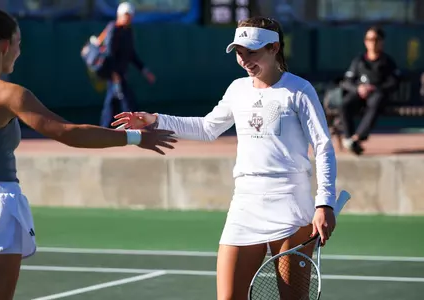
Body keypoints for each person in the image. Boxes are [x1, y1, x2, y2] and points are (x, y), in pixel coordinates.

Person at [0, 7, 175, 299]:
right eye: (18, 43)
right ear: (5, 46)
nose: (19, 50)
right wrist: (133, 138)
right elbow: (68, 133)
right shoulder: (7, 93)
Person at [112, 16, 337, 300]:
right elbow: (207, 128)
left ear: (274, 48)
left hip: (292, 205)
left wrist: (324, 203)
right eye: (239, 52)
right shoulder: (237, 90)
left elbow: (323, 146)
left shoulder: (300, 91)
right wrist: (154, 120)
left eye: (252, 51)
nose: (244, 59)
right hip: (245, 203)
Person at [339, 25, 400, 155]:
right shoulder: (359, 61)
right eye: (369, 39)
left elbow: (394, 82)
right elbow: (347, 81)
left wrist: (375, 88)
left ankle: (358, 137)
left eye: (375, 39)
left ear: (382, 41)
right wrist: (358, 88)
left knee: (376, 102)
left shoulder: (387, 62)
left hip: (378, 97)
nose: (372, 42)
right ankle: (350, 138)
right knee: (345, 104)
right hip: (359, 95)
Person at [99, 1, 155, 128]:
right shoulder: (113, 29)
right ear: (119, 15)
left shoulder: (128, 32)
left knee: (112, 103)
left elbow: (132, 55)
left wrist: (145, 71)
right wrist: (113, 74)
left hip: (121, 74)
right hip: (114, 75)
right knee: (125, 101)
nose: (128, 17)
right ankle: (131, 127)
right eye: (126, 14)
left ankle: (105, 129)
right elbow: (109, 54)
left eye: (130, 15)